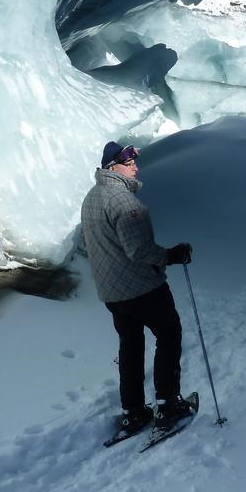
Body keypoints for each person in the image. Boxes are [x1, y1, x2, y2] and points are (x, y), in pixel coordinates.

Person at [80, 140, 195, 436]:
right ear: (112, 167)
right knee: (169, 335)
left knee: (130, 348)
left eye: (134, 163)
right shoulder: (125, 202)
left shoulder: (92, 197)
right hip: (141, 288)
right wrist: (172, 255)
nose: (135, 168)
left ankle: (133, 411)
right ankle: (168, 405)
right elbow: (140, 251)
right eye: (129, 163)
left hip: (112, 292)